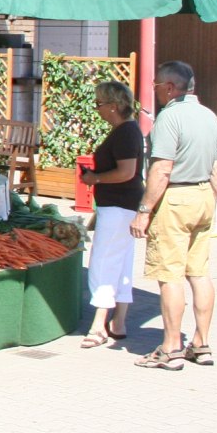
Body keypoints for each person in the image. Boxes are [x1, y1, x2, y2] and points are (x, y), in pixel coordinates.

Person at [130, 60, 217, 371]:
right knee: (199, 272)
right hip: (203, 195)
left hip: (175, 197)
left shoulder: (169, 118)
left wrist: (144, 212)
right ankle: (201, 343)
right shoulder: (210, 116)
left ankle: (171, 346)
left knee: (169, 275)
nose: (154, 90)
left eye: (156, 85)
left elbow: (161, 169)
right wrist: (208, 200)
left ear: (170, 87)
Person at [78, 80, 142, 348]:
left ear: (114, 106)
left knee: (103, 262)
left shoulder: (125, 132)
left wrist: (96, 179)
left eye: (99, 104)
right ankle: (118, 322)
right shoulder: (130, 129)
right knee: (122, 262)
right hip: (125, 205)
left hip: (117, 206)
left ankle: (98, 325)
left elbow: (126, 172)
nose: (97, 110)